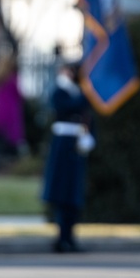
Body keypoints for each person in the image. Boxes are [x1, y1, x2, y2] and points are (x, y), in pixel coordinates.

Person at [42, 61, 95, 253]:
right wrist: (85, 94)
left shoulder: (78, 91)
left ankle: (70, 237)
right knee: (62, 193)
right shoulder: (60, 92)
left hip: (77, 144)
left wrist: (90, 136)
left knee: (73, 194)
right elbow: (66, 107)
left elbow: (87, 115)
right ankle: (61, 237)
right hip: (63, 147)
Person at [0, 51, 27, 157]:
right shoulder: (12, 79)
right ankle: (20, 160)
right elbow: (18, 95)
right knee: (15, 138)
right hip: (11, 111)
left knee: (1, 138)